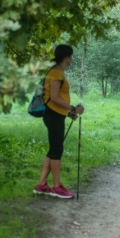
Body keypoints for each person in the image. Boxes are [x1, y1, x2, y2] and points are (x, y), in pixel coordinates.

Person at [34, 44, 84, 199]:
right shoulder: (56, 73)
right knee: (57, 151)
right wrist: (73, 108)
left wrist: (69, 113)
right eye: (70, 57)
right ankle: (56, 187)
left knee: (53, 150)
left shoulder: (57, 72)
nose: (71, 60)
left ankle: (42, 184)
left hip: (55, 114)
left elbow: (54, 99)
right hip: (53, 116)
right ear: (66, 57)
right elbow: (54, 98)